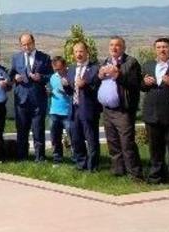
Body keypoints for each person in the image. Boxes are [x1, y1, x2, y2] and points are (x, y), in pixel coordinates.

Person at [140, 37, 169, 190]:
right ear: (155, 50)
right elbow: (142, 87)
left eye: (165, 47)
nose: (162, 50)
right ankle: (156, 175)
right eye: (158, 47)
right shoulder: (148, 65)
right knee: (155, 147)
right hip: (152, 112)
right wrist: (144, 83)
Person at [97, 36, 143, 180]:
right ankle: (118, 170)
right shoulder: (106, 61)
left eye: (117, 45)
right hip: (107, 110)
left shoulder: (131, 62)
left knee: (127, 143)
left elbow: (135, 83)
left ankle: (135, 174)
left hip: (123, 110)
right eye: (111, 45)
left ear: (123, 47)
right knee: (113, 142)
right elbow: (102, 81)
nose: (114, 48)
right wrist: (100, 75)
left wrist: (118, 75)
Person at [10, 33, 53, 162]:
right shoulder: (16, 58)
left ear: (34, 43)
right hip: (21, 99)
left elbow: (50, 75)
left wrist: (41, 77)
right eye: (24, 44)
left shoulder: (44, 58)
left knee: (38, 129)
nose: (27, 47)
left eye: (29, 43)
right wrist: (14, 78)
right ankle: (22, 156)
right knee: (22, 129)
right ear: (20, 45)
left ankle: (40, 156)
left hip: (38, 99)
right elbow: (10, 74)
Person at [65, 41, 102, 172]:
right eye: (76, 52)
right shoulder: (71, 69)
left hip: (89, 108)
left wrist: (85, 85)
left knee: (91, 138)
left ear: (87, 52)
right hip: (74, 108)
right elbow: (71, 91)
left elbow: (98, 88)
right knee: (76, 137)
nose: (78, 54)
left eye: (81, 51)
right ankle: (81, 163)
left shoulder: (95, 68)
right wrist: (65, 86)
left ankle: (93, 166)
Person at [48, 56, 73, 165]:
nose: (57, 71)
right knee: (55, 137)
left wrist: (66, 91)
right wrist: (49, 92)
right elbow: (53, 90)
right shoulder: (53, 77)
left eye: (59, 69)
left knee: (72, 136)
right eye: (55, 69)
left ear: (65, 66)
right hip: (54, 111)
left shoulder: (70, 76)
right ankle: (57, 159)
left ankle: (76, 158)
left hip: (67, 111)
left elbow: (74, 94)